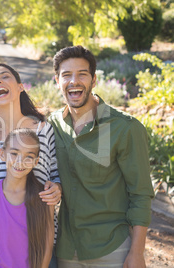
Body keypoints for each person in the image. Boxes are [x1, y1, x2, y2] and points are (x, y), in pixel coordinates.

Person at [48, 45, 154, 267]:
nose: (74, 81)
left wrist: (137, 252)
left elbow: (141, 194)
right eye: (66, 75)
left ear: (94, 80)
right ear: (57, 81)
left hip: (112, 247)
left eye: (82, 74)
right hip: (67, 248)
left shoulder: (125, 128)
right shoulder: (52, 125)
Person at [0, 63, 61, 267]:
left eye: (5, 76)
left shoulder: (43, 129)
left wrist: (57, 188)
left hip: (38, 241)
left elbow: (55, 174)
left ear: (21, 86)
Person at [0, 128, 55, 268]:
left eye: (29, 156)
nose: (20, 161)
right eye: (14, 153)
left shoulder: (44, 196)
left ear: (36, 161)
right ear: (2, 154)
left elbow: (47, 247)